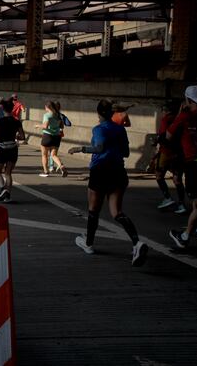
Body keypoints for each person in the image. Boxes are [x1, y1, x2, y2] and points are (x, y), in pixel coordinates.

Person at [68, 99, 148, 266]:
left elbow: (99, 148)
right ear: (112, 113)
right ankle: (136, 243)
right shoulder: (120, 129)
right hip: (118, 171)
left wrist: (80, 148)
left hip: (100, 171)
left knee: (93, 210)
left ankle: (89, 244)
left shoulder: (99, 129)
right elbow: (126, 152)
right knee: (117, 212)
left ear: (98, 113)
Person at [167, 86, 197, 249]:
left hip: (194, 165)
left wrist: (179, 115)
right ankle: (185, 237)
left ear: (188, 100)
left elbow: (168, 136)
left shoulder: (185, 116)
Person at [154, 100, 188, 214]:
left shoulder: (166, 119)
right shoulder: (182, 119)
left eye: (162, 110)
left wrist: (158, 140)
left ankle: (167, 198)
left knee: (159, 175)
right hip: (180, 152)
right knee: (177, 179)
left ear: (166, 111)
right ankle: (181, 204)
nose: (162, 113)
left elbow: (164, 136)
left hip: (166, 152)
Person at [0, 99, 26, 203]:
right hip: (13, 148)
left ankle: (3, 189)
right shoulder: (17, 122)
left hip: (2, 148)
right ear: (12, 108)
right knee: (8, 173)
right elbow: (22, 136)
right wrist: (15, 136)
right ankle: (8, 196)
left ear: (3, 109)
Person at [40, 101, 68, 178]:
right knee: (53, 155)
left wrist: (38, 125)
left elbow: (45, 126)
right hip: (57, 137)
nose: (45, 108)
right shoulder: (59, 115)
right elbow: (62, 126)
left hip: (47, 136)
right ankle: (61, 166)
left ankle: (46, 171)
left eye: (45, 107)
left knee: (44, 155)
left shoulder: (47, 115)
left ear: (48, 107)